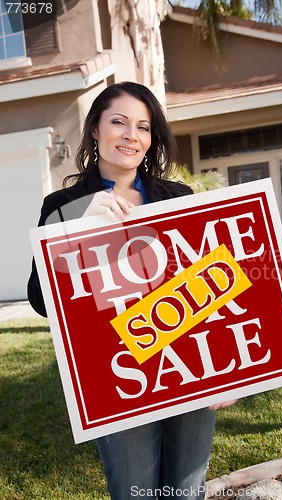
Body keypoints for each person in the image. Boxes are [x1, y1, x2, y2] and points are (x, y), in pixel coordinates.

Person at [27, 81, 236, 499]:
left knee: (186, 490)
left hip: (190, 366)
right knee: (134, 491)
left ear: (151, 139)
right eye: (118, 122)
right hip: (118, 375)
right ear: (94, 130)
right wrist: (77, 228)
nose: (131, 135)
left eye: (143, 127)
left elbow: (211, 287)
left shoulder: (178, 197)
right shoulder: (63, 204)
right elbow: (39, 299)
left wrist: (228, 372)